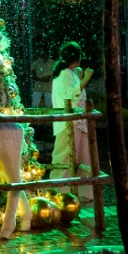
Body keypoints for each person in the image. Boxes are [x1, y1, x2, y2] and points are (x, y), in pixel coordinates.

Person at [50, 40, 95, 208]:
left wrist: (82, 78)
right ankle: (58, 192)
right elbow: (71, 95)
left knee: (80, 157)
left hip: (77, 122)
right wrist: (87, 79)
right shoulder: (65, 74)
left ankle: (80, 192)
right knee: (65, 156)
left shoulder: (70, 73)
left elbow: (76, 91)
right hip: (70, 122)